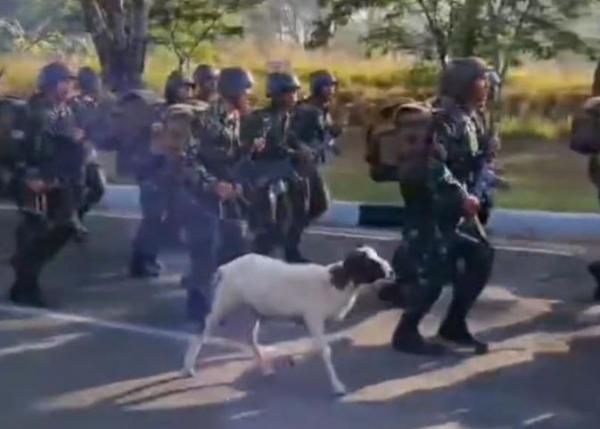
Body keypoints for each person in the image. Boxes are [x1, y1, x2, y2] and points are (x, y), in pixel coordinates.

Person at [391, 60, 496, 356]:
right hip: (431, 209)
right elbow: (434, 167)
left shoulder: (471, 117)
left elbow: (467, 160)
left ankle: (453, 326)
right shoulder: (444, 120)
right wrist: (461, 195)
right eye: (481, 80)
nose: (486, 86)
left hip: (452, 210)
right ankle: (406, 333)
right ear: (465, 84)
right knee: (434, 274)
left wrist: (486, 162)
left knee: (481, 255)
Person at [181, 66, 255, 325]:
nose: (249, 95)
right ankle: (198, 307)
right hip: (201, 195)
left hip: (229, 195)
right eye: (245, 90)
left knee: (234, 247)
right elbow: (188, 160)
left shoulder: (237, 118)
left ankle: (219, 301)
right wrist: (213, 185)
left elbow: (232, 157)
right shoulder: (205, 119)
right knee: (204, 251)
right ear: (233, 91)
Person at [8, 61, 85, 307]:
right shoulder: (35, 111)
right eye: (64, 81)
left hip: (57, 178)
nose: (69, 86)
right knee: (34, 229)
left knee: (66, 226)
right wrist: (30, 177)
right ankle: (25, 286)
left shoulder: (66, 110)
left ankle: (24, 266)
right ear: (51, 84)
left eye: (70, 81)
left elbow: (67, 143)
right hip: (34, 178)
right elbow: (19, 147)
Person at [128, 72, 193, 277]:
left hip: (172, 173)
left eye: (190, 87)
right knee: (153, 218)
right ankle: (140, 261)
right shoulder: (161, 112)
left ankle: (148, 256)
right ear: (173, 88)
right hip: (153, 171)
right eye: (184, 87)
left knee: (172, 217)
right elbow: (155, 144)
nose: (188, 91)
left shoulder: (184, 112)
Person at [241, 71, 302, 258]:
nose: (294, 96)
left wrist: (300, 150)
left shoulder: (285, 117)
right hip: (261, 176)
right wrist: (293, 153)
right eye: (288, 92)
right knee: (266, 224)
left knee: (286, 218)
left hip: (277, 175)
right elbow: (258, 148)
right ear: (276, 95)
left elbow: (286, 140)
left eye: (294, 92)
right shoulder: (262, 118)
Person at [284, 69, 342, 262]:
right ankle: (289, 248)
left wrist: (332, 142)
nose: (331, 90)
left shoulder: (322, 109)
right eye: (328, 86)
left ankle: (289, 236)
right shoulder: (305, 110)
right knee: (303, 208)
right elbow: (289, 135)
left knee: (318, 205)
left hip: (311, 165)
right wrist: (303, 149)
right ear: (318, 87)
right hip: (299, 166)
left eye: (333, 86)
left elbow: (322, 136)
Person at [69, 67, 110, 240]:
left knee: (98, 187)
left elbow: (101, 129)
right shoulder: (75, 103)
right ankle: (72, 222)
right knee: (75, 189)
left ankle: (76, 216)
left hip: (88, 152)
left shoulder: (96, 105)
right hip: (74, 152)